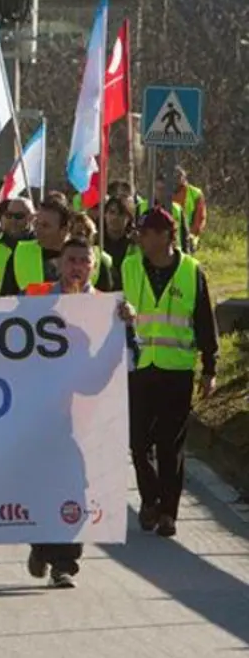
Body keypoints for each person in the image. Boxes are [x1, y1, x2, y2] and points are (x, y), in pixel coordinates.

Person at [23, 237, 134, 588]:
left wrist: (128, 327)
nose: (77, 267)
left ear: (93, 266)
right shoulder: (37, 298)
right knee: (39, 485)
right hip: (41, 412)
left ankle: (65, 563)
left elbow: (133, 358)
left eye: (84, 261)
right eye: (71, 260)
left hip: (86, 417)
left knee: (76, 486)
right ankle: (42, 546)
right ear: (59, 263)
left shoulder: (106, 306)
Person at [121, 209, 219, 538]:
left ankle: (168, 513)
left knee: (169, 445)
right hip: (139, 367)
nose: (141, 238)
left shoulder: (191, 271)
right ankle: (150, 498)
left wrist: (210, 367)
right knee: (137, 443)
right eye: (140, 232)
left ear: (166, 235)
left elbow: (205, 320)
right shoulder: (130, 266)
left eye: (147, 232)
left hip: (176, 370)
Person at [68, 212, 114, 292]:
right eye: (76, 234)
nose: (80, 239)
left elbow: (107, 292)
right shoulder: (61, 258)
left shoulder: (101, 261)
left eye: (84, 234)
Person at [102, 196, 138, 290]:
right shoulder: (95, 242)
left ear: (129, 218)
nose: (115, 217)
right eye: (112, 212)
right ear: (105, 214)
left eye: (121, 214)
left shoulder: (134, 244)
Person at [172, 167, 207, 252]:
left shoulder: (195, 193)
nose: (176, 179)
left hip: (189, 236)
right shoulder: (162, 191)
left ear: (184, 177)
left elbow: (200, 218)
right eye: (174, 177)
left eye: (179, 176)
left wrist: (191, 235)